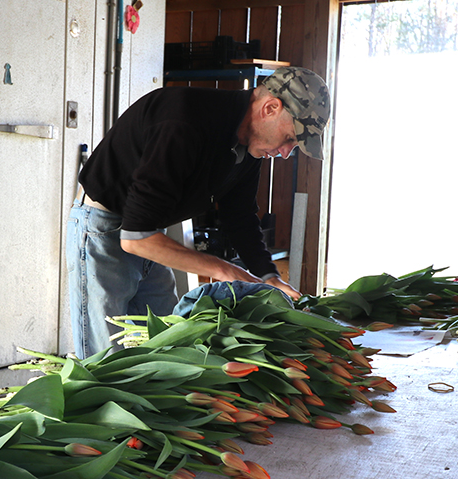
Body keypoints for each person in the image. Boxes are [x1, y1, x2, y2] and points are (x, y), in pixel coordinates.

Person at [66, 66, 330, 358]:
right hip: (104, 230)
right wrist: (223, 269)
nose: (285, 153)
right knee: (106, 359)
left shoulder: (250, 146)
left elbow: (239, 215)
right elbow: (135, 238)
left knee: (169, 344)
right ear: (270, 108)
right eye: (290, 139)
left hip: (150, 231)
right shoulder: (185, 120)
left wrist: (268, 276)